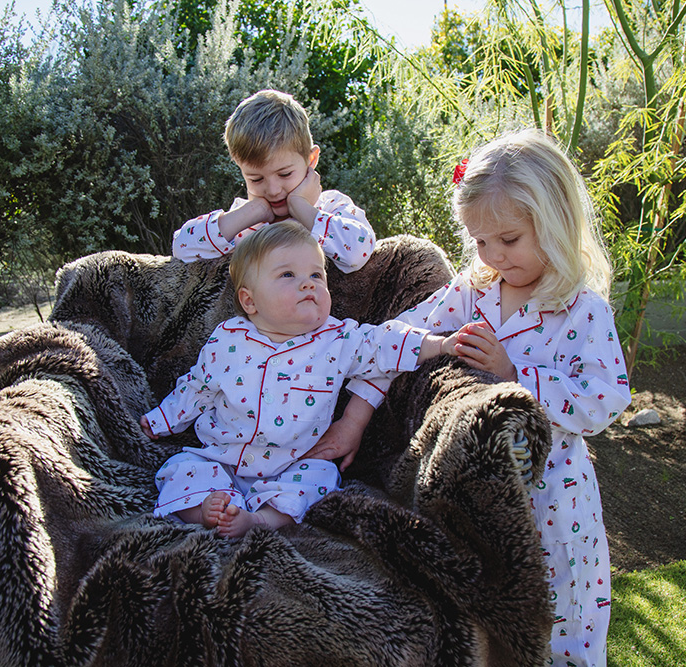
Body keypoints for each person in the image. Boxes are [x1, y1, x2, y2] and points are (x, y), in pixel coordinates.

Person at [308, 129, 631, 666]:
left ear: (555, 223)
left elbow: (603, 400)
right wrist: (354, 411)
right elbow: (402, 341)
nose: (494, 255)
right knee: (487, 623)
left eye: (509, 240)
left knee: (561, 622)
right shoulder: (475, 289)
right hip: (474, 501)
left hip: (556, 503)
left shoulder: (581, 310)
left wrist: (515, 372)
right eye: (480, 241)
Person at [140, 221, 467, 538]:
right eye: (287, 275)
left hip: (292, 465)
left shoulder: (337, 340)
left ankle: (260, 519)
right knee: (181, 467)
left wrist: (438, 344)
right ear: (249, 301)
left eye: (316, 275)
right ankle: (207, 509)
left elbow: (385, 342)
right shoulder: (227, 338)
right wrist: (160, 420)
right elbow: (197, 386)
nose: (309, 283)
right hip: (222, 458)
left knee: (321, 477)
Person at [171, 89, 376, 273]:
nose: (273, 190)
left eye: (285, 174)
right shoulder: (241, 222)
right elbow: (181, 249)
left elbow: (358, 253)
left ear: (311, 159)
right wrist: (252, 212)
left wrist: (301, 207)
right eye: (256, 178)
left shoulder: (331, 207)